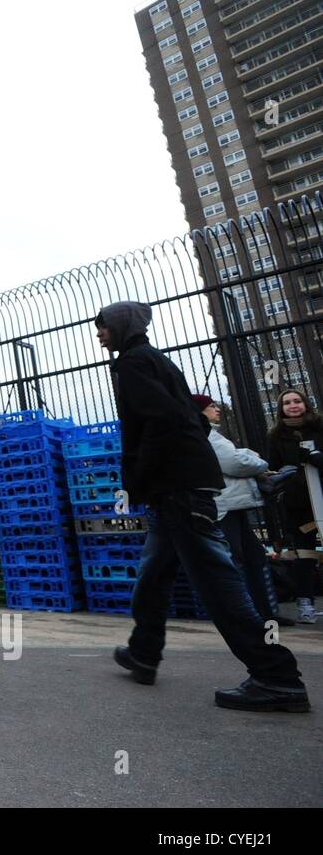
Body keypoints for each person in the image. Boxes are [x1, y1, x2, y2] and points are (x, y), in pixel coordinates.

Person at [95, 302, 307, 712]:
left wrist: (142, 476)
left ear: (121, 326)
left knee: (218, 583)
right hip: (176, 488)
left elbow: (167, 422)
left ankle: (276, 676)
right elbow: (187, 418)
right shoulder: (156, 361)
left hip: (175, 490)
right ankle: (144, 651)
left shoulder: (133, 365)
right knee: (154, 576)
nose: (99, 335)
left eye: (103, 328)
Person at [193, 395, 292, 627]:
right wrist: (259, 462)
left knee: (252, 558)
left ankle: (262, 613)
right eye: (211, 406)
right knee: (238, 560)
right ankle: (250, 615)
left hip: (233, 505)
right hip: (225, 506)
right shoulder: (207, 435)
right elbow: (234, 463)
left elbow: (235, 458)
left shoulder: (212, 434)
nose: (217, 409)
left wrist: (246, 455)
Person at [265, 388, 323, 625]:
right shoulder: (276, 435)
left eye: (297, 400)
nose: (293, 405)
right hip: (299, 502)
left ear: (305, 403)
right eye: (287, 403)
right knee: (304, 553)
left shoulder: (319, 426)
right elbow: (274, 468)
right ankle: (305, 605)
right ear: (281, 409)